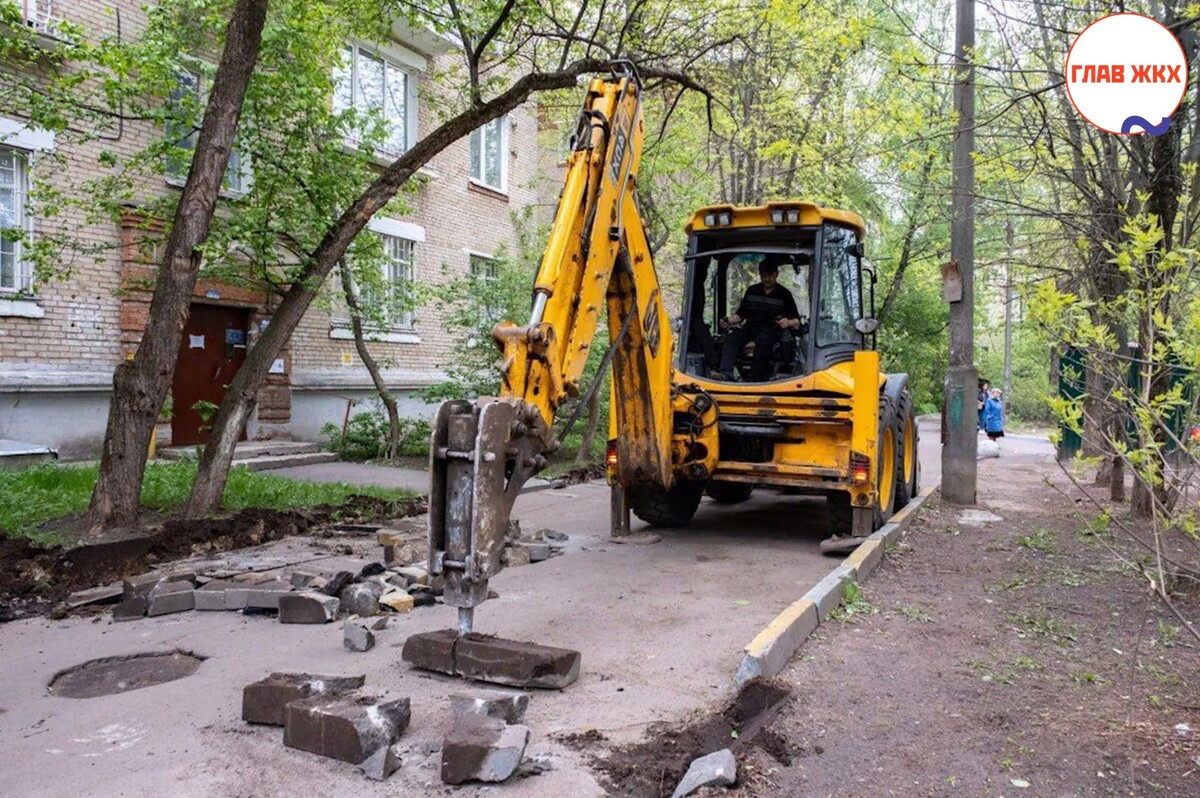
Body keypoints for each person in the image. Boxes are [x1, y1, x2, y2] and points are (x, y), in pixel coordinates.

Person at [714, 257, 802, 382]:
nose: (767, 279)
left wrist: (788, 322)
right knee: (732, 338)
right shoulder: (752, 291)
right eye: (764, 276)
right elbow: (741, 314)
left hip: (771, 330)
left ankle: (753, 379)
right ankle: (725, 374)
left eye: (770, 275)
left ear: (776, 274)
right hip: (750, 327)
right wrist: (728, 320)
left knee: (764, 339)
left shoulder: (784, 294)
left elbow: (796, 319)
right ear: (760, 275)